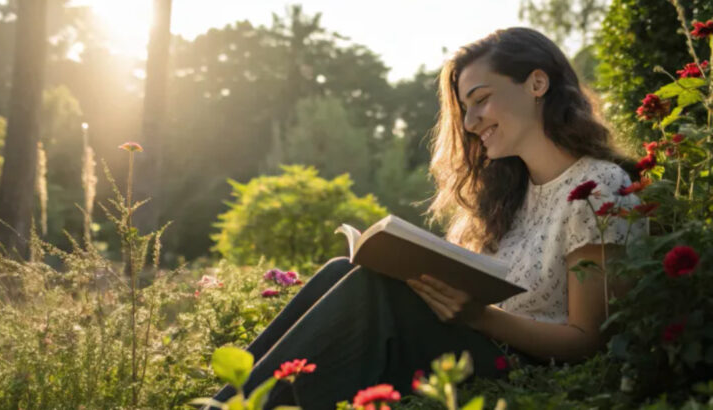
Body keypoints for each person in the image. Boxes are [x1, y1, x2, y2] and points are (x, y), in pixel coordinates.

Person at [205, 26, 648, 409]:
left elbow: (590, 341)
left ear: (537, 83)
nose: (471, 122)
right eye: (464, 108)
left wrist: (480, 316)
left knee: (370, 291)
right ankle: (228, 402)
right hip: (474, 347)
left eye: (481, 100)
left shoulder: (598, 188)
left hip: (523, 372)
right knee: (343, 268)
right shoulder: (512, 195)